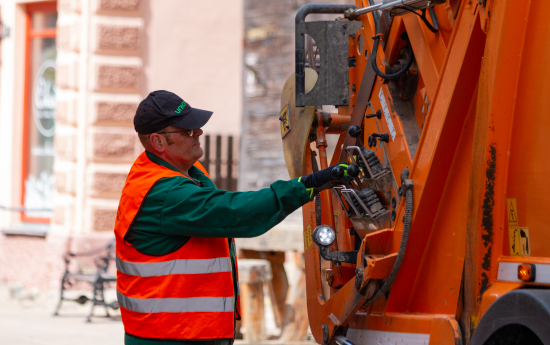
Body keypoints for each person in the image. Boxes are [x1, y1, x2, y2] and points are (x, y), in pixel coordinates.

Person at [115, 90, 338, 345]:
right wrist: (306, 185)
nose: (198, 132)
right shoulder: (163, 192)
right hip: (170, 336)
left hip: (184, 332)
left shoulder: (184, 171)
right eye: (187, 130)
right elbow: (234, 212)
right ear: (158, 142)